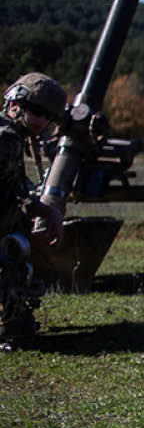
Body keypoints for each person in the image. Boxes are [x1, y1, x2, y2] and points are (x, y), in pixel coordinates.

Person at [1, 73, 67, 347]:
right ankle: (9, 318)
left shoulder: (12, 135)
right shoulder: (8, 139)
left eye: (47, 116)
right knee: (14, 244)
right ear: (15, 104)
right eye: (36, 112)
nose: (41, 122)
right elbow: (9, 198)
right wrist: (47, 212)